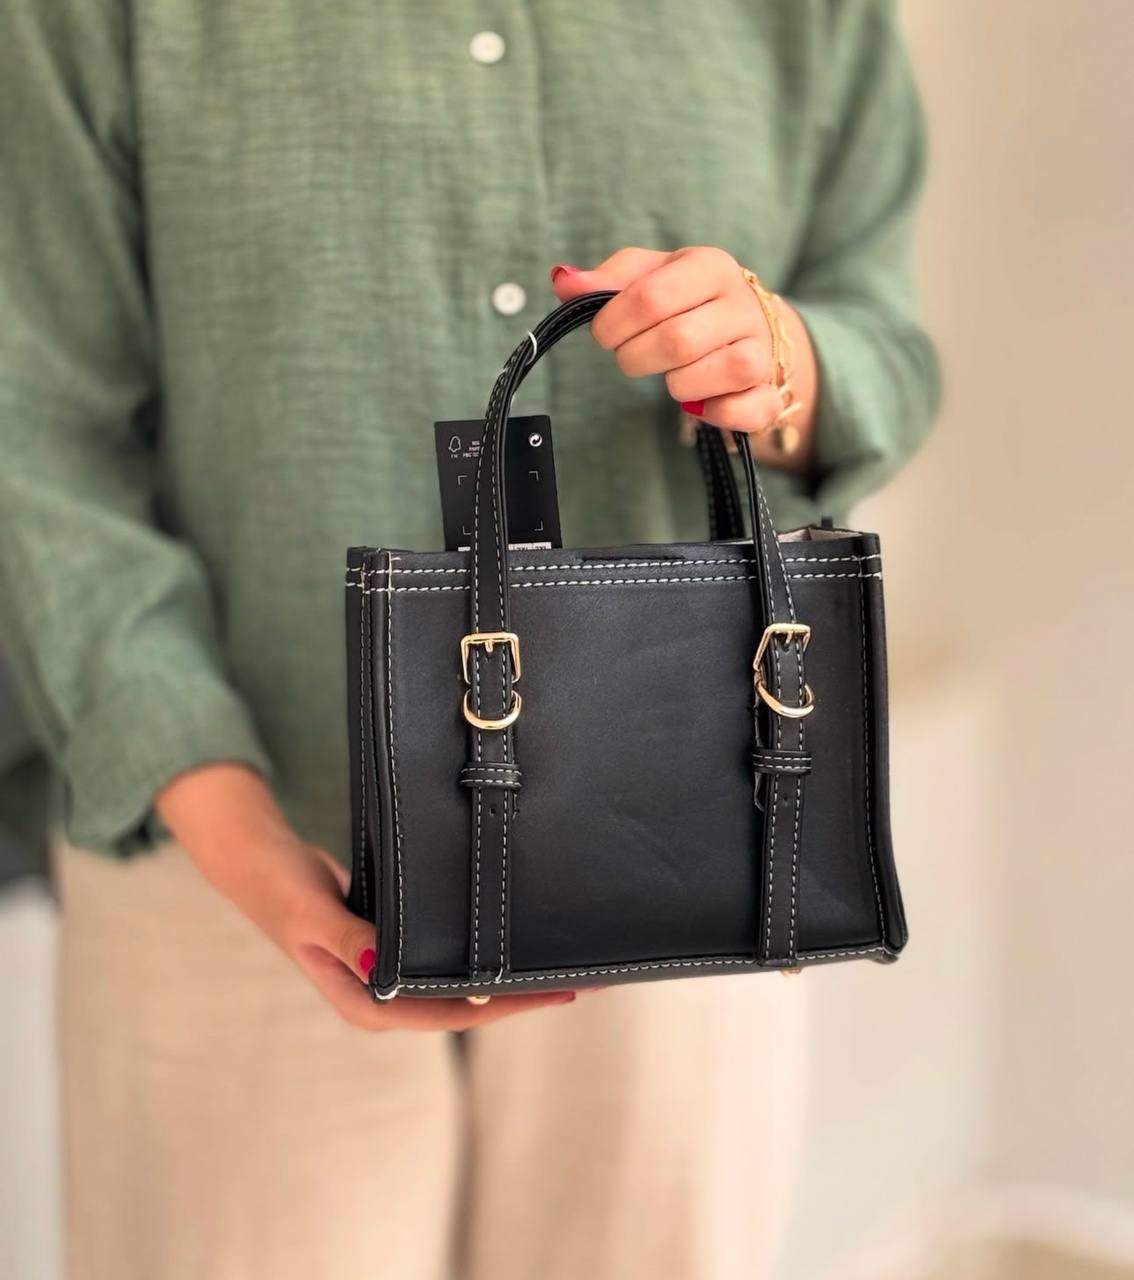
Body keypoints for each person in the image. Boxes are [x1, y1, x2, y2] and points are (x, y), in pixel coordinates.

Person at [0, 2, 939, 1277]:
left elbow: (885, 332)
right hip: (231, 833)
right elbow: (36, 428)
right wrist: (236, 832)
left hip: (691, 837)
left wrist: (781, 360)